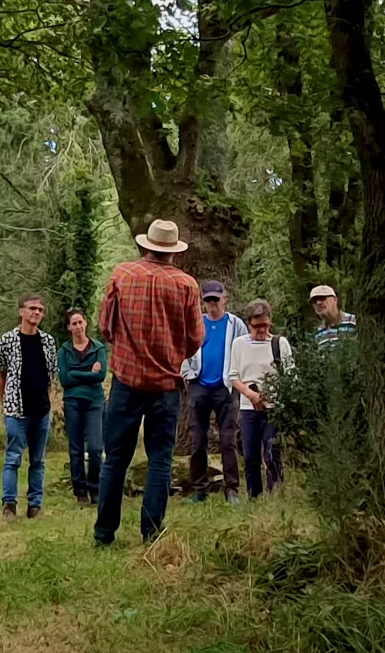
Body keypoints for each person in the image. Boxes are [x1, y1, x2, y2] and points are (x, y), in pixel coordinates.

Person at [93, 219, 204, 547]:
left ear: (146, 246)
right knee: (159, 460)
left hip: (127, 382)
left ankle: (104, 535)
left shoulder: (123, 274)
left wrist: (127, 347)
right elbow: (196, 337)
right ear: (173, 251)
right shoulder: (187, 285)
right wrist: (173, 354)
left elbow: (105, 326)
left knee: (115, 459)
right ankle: (151, 534)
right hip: (166, 385)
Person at [182, 280, 248, 503]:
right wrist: (187, 374)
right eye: (208, 300)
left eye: (216, 300)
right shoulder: (197, 324)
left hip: (226, 387)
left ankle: (232, 489)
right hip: (199, 385)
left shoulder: (236, 324)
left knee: (227, 440)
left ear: (224, 298)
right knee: (197, 439)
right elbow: (184, 350)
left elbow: (243, 351)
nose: (212, 304)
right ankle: (200, 489)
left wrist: (238, 379)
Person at [0, 294, 58, 521]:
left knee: (38, 460)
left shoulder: (48, 341)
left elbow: (52, 374)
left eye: (40, 309)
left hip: (41, 409)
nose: (36, 313)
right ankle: (9, 505)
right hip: (16, 410)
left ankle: (35, 505)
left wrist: (48, 399)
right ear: (21, 311)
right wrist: (5, 402)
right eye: (32, 308)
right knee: (13, 458)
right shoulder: (8, 340)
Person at [229, 299, 294, 499]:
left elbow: (290, 376)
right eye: (257, 326)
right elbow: (233, 377)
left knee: (272, 451)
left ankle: (276, 492)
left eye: (265, 325)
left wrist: (273, 394)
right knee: (251, 455)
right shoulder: (239, 344)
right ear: (249, 324)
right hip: (249, 407)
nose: (262, 330)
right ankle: (254, 495)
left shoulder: (279, 343)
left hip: (274, 406)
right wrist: (250, 394)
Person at [57, 308, 108, 507]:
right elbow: (64, 379)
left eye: (81, 322)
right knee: (75, 449)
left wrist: (76, 373)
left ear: (86, 323)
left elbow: (101, 376)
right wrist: (88, 372)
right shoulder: (64, 351)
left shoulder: (98, 348)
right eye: (74, 323)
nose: (78, 327)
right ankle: (80, 492)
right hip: (72, 402)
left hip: (94, 402)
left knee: (95, 448)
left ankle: (96, 488)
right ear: (69, 327)